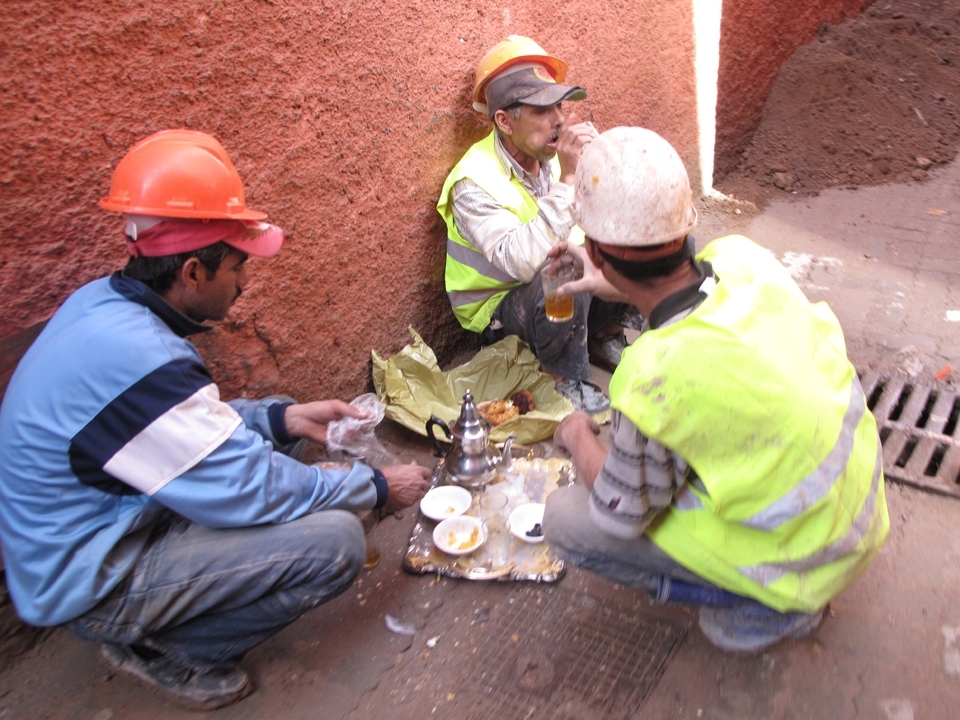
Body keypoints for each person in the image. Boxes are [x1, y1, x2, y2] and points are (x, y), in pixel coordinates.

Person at [0, 129, 432, 709]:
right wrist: (377, 485)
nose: (244, 282)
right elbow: (245, 484)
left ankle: (169, 615)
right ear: (194, 273)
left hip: (110, 522)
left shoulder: (107, 307)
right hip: (90, 577)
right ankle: (170, 649)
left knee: (293, 450)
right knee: (336, 539)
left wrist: (283, 419)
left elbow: (172, 429)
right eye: (236, 266)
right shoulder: (137, 360)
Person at [543, 127, 889, 653]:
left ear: (592, 247)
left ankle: (766, 606)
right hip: (856, 518)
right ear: (684, 229)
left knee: (565, 520)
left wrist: (575, 436)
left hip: (805, 561)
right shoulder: (744, 261)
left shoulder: (654, 376)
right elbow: (680, 286)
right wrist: (606, 277)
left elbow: (620, 509)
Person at [437, 35, 631, 415]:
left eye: (559, 105)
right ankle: (561, 377)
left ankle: (603, 334)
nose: (560, 119)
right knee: (562, 270)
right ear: (505, 121)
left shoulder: (551, 154)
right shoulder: (471, 183)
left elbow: (606, 215)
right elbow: (524, 262)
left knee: (629, 235)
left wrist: (599, 166)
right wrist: (571, 178)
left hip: (555, 291)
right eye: (542, 110)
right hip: (498, 312)